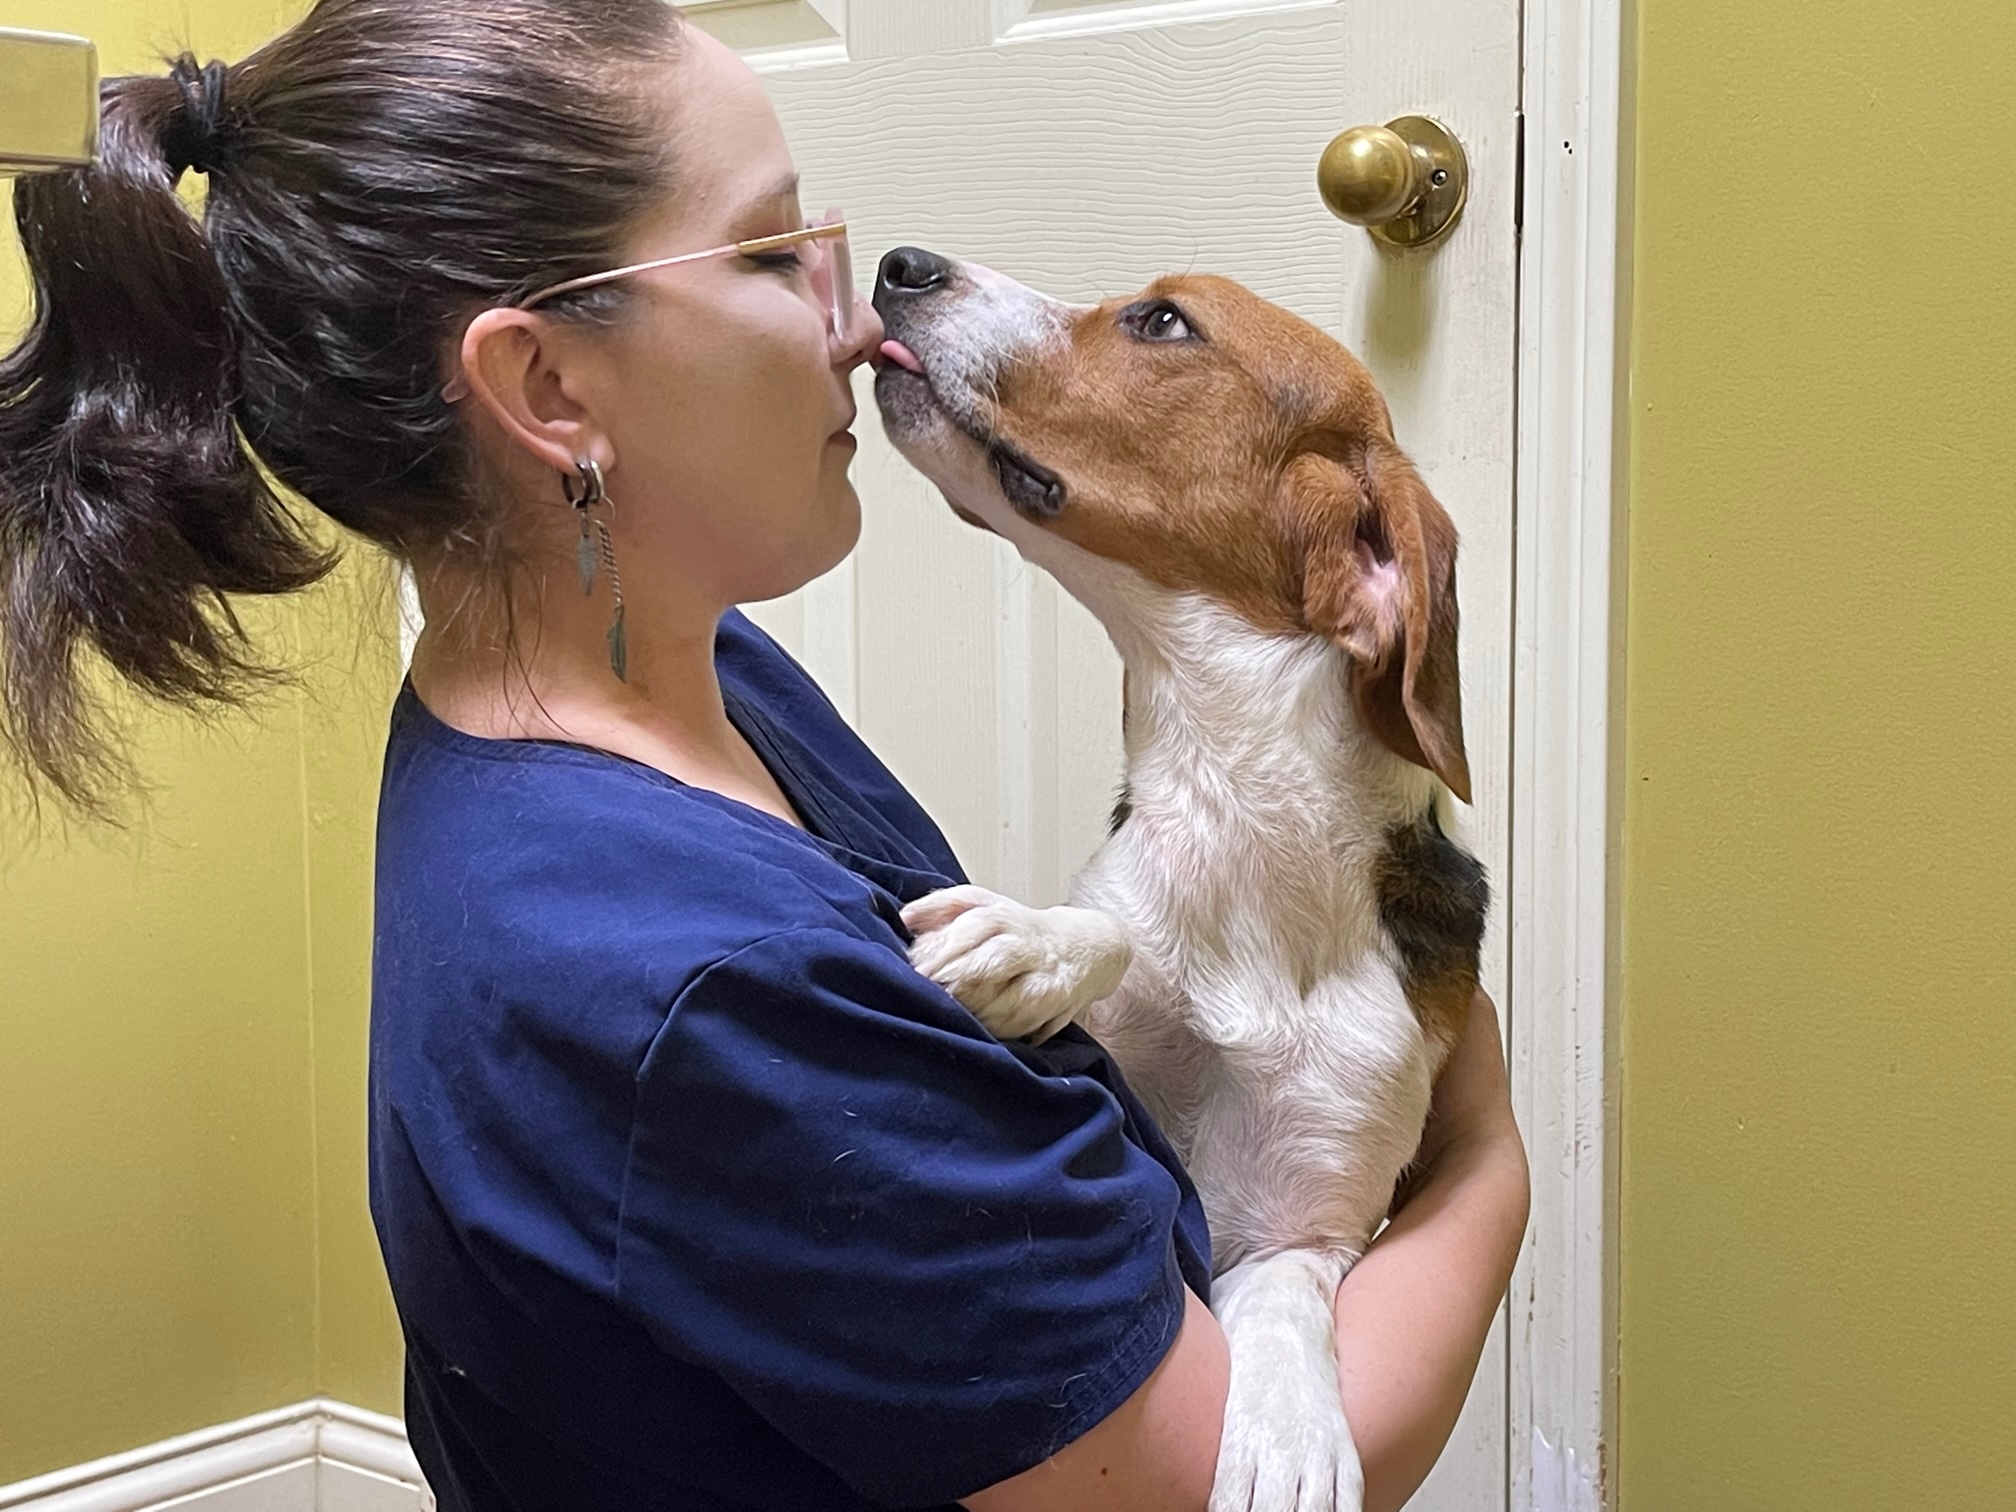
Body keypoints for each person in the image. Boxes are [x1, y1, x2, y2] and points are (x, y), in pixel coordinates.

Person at [0, 3, 1530, 1508]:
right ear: (548, 388)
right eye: (767, 252)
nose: (857, 321)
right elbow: (1192, 1489)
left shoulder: (686, 683)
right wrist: (1480, 1157)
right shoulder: (712, 992)